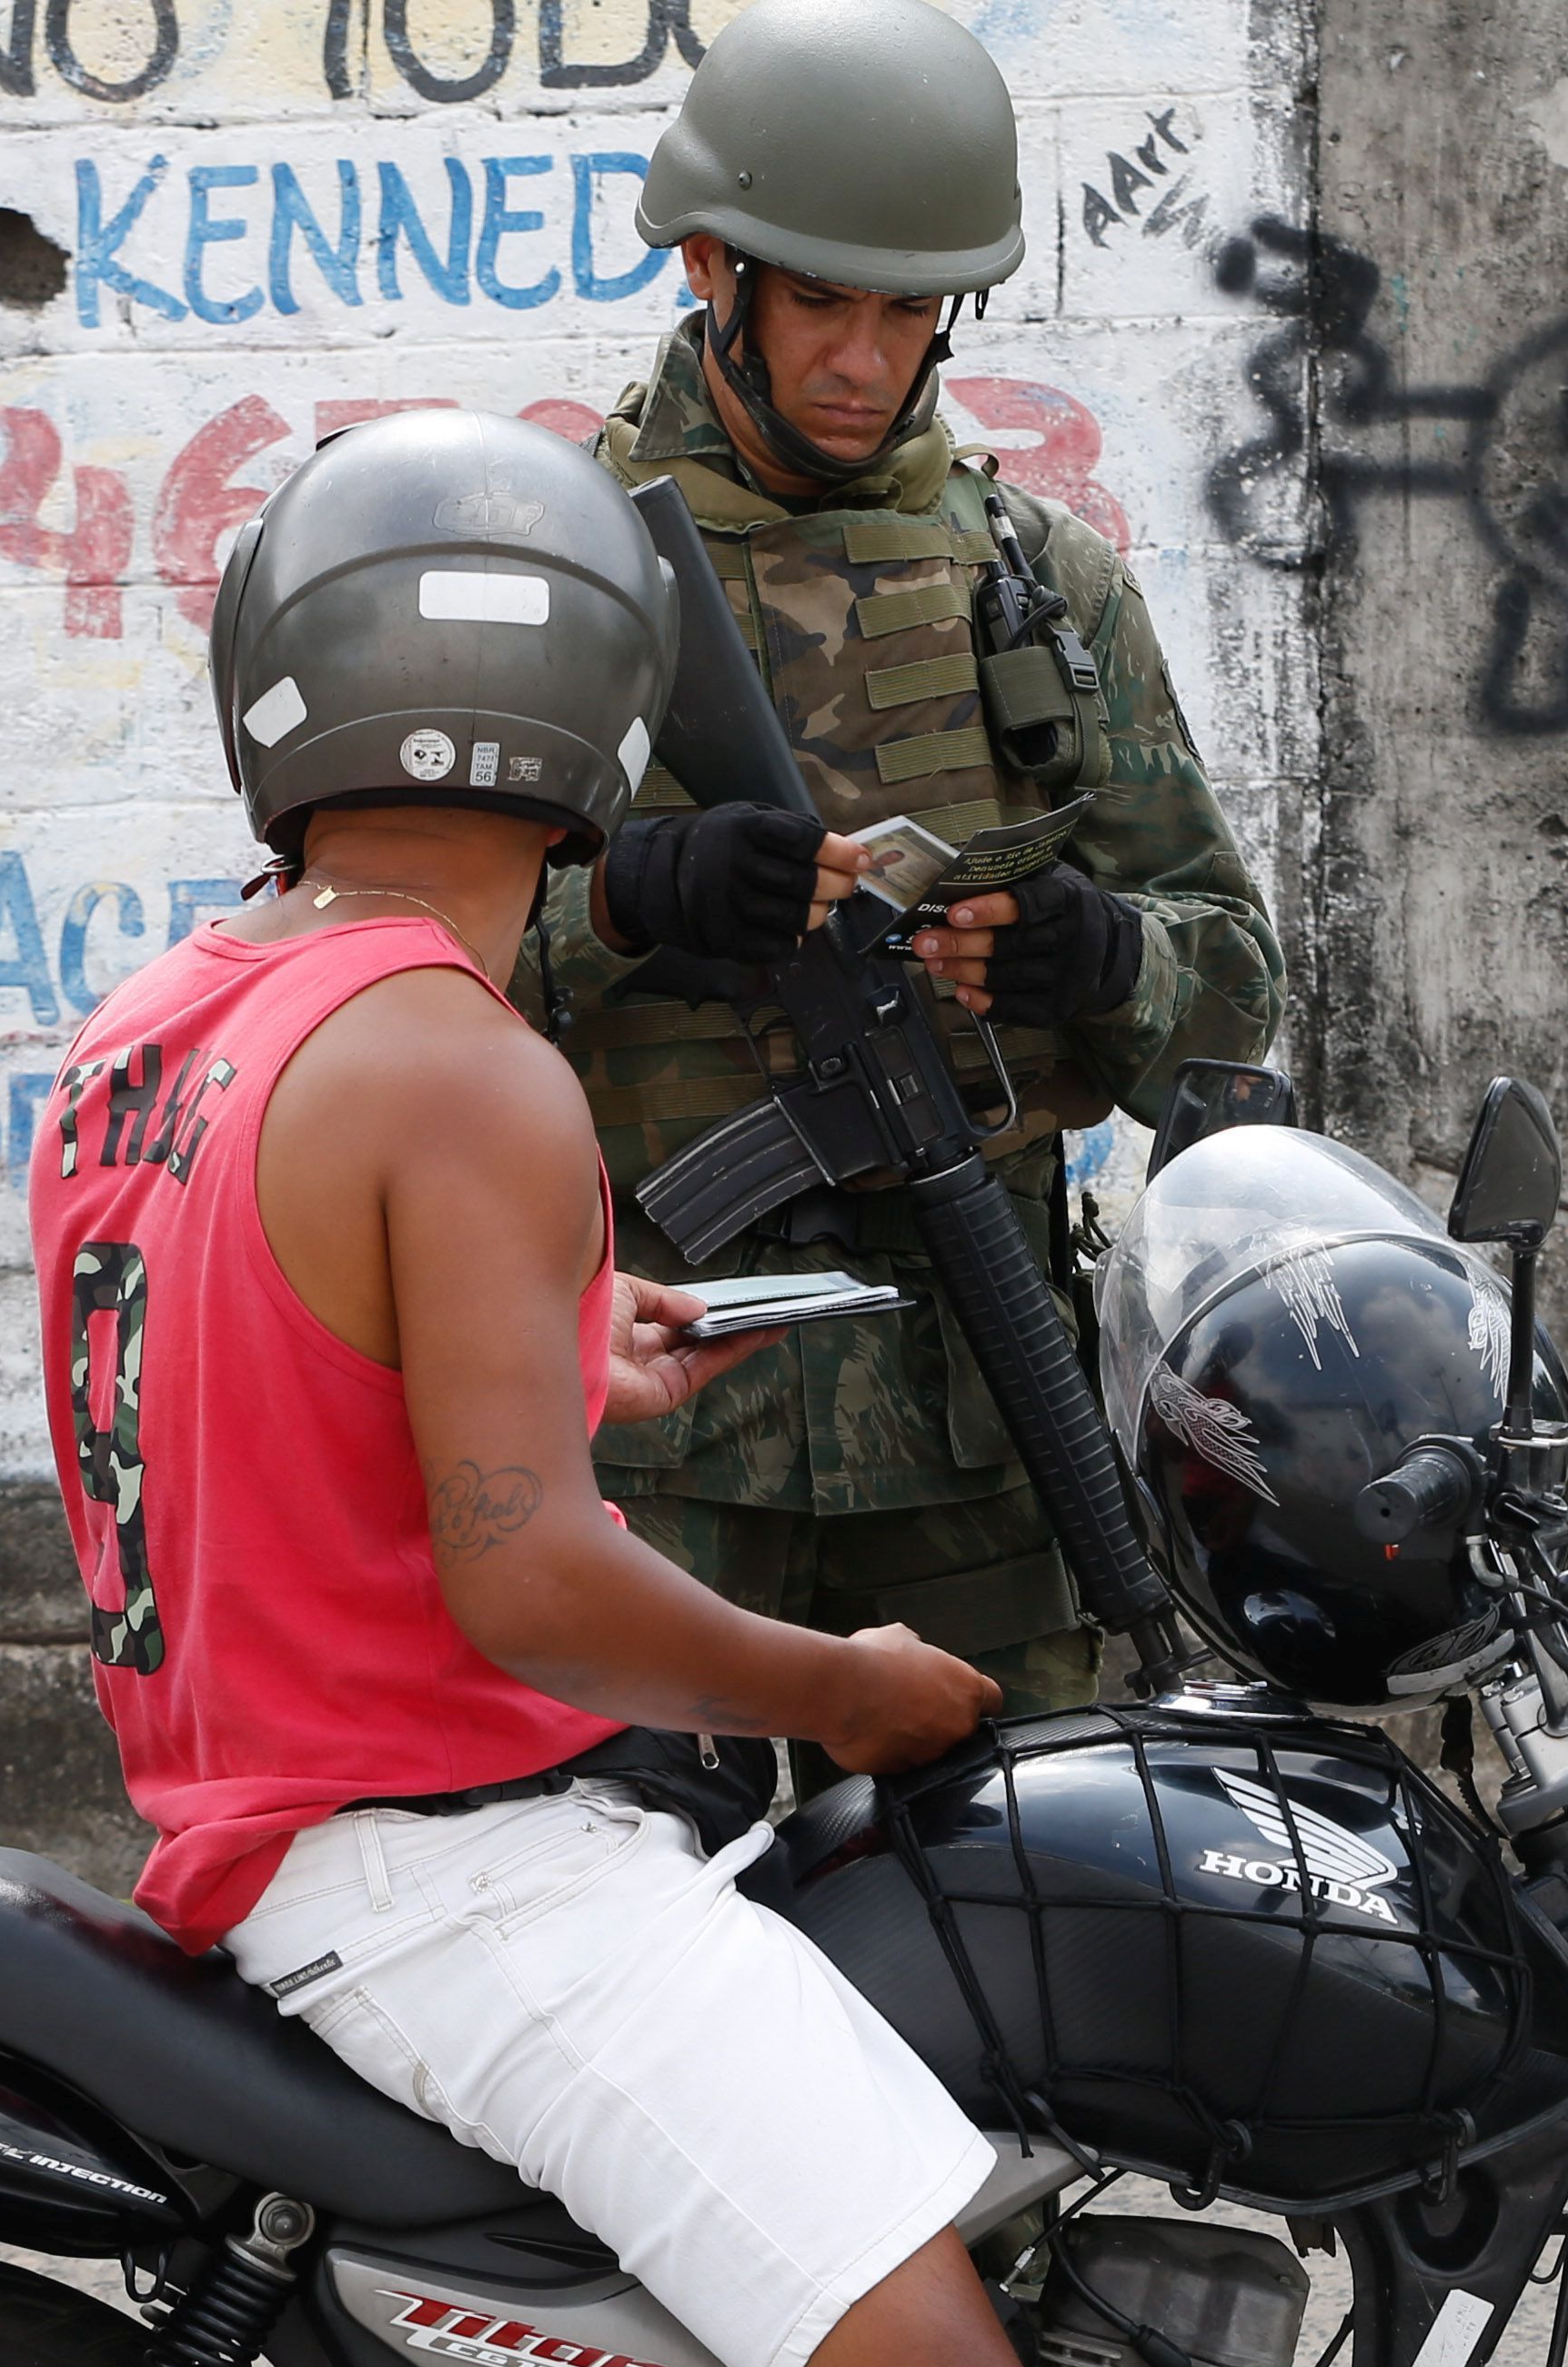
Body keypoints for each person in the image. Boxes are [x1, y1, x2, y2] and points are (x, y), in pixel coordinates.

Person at [30, 408, 1055, 2367]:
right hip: (451, 1871)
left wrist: (578, 1355)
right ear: (595, 728)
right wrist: (833, 1681)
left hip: (272, 1826)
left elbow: (288, 1379)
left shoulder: (176, 1028)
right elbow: (526, 1585)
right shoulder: (469, 1074)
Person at [522, 0, 1283, 1717]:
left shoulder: (1046, 585)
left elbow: (1234, 985)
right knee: (647, 1906)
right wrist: (625, 903)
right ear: (715, 269)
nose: (863, 359)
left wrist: (1103, 961)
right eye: (818, 303)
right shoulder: (557, 566)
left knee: (1026, 1924)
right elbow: (357, 979)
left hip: (977, 1414)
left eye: (904, 309)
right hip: (648, 1410)